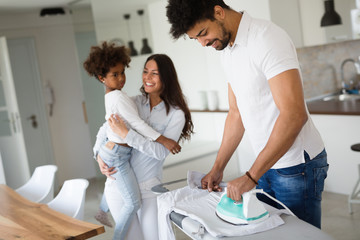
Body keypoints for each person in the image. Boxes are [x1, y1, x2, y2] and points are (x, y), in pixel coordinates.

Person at [166, 0, 328, 229]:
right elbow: (236, 113)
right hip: (265, 163)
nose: (203, 43)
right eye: (196, 40)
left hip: (296, 166)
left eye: (203, 33)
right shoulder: (227, 50)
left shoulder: (266, 38)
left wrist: (251, 177)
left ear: (219, 12)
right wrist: (218, 168)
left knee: (300, 235)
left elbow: (294, 115)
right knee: (269, 232)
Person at [83, 43, 182, 239]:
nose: (147, 77)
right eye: (145, 71)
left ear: (167, 77)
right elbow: (106, 127)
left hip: (148, 189)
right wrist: (98, 155)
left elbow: (160, 152)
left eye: (155, 73)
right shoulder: (133, 100)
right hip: (117, 184)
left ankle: (103, 211)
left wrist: (127, 135)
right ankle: (104, 212)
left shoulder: (176, 114)